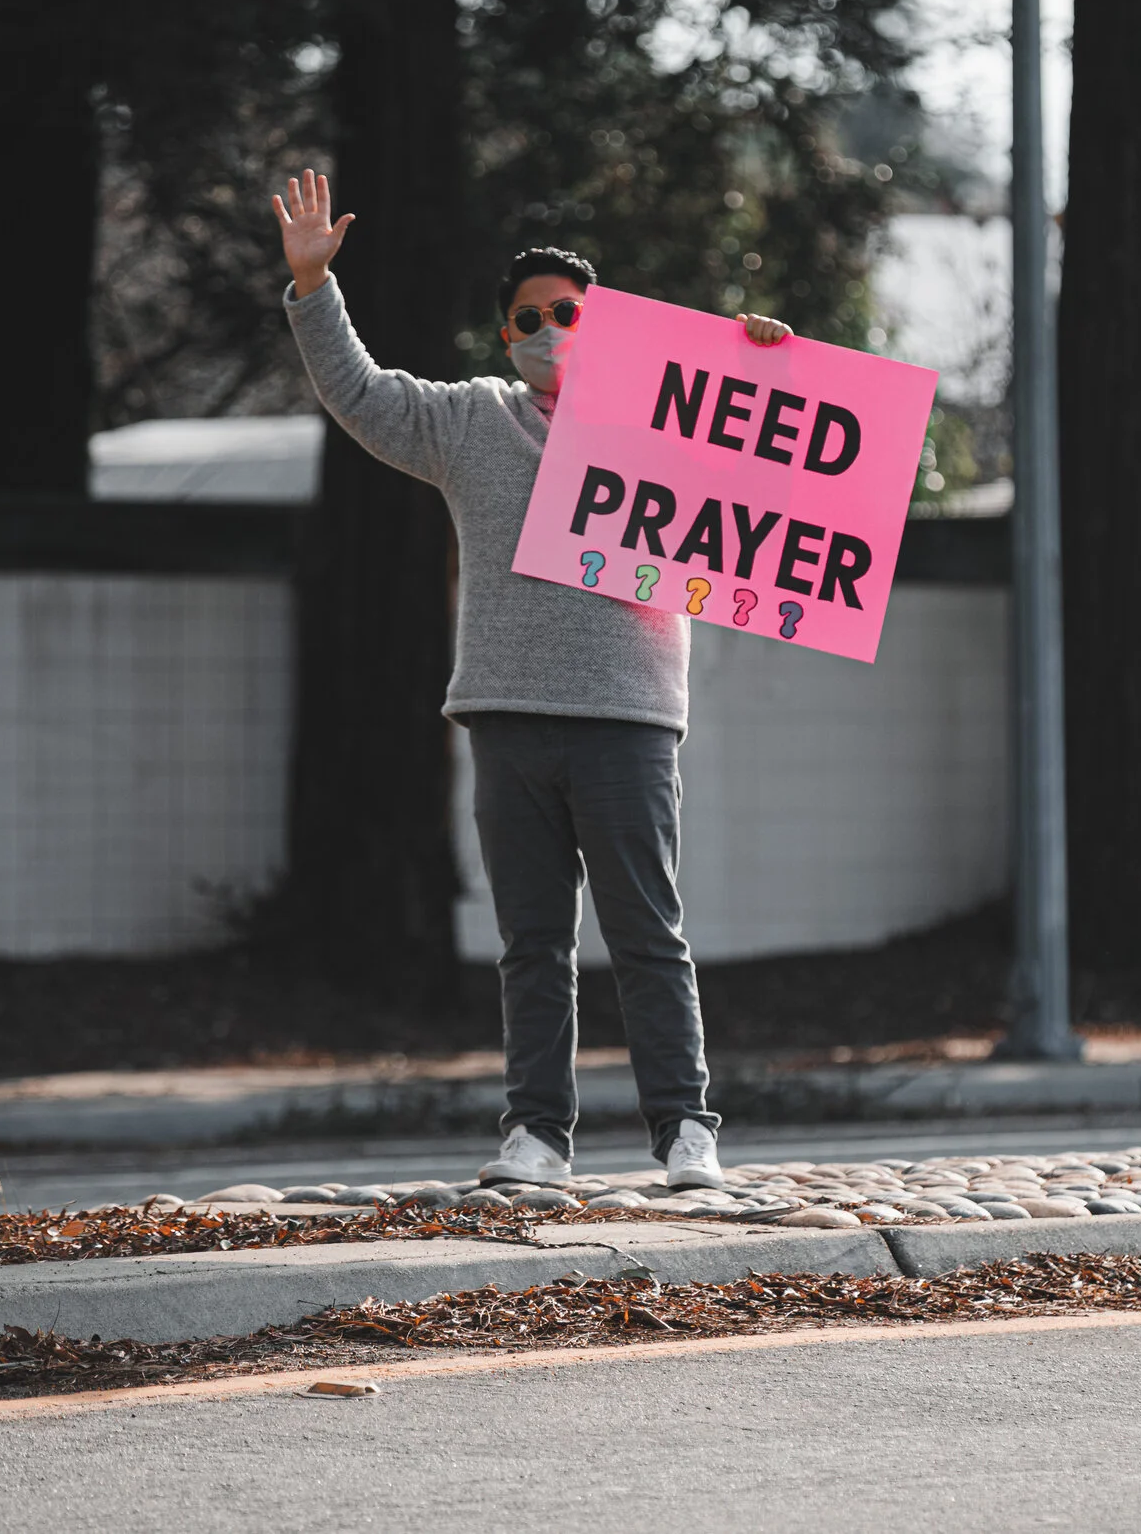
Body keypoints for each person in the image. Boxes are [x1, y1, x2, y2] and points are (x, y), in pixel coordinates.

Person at [271, 170, 791, 1190]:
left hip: (629, 718)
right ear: (504, 334)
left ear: (604, 326)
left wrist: (758, 372)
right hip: (507, 718)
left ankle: (686, 1130)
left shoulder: (667, 426)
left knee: (648, 933)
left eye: (568, 313)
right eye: (529, 316)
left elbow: (774, 485)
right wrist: (311, 287)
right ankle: (536, 1138)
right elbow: (361, 394)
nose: (549, 327)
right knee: (531, 944)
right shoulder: (470, 423)